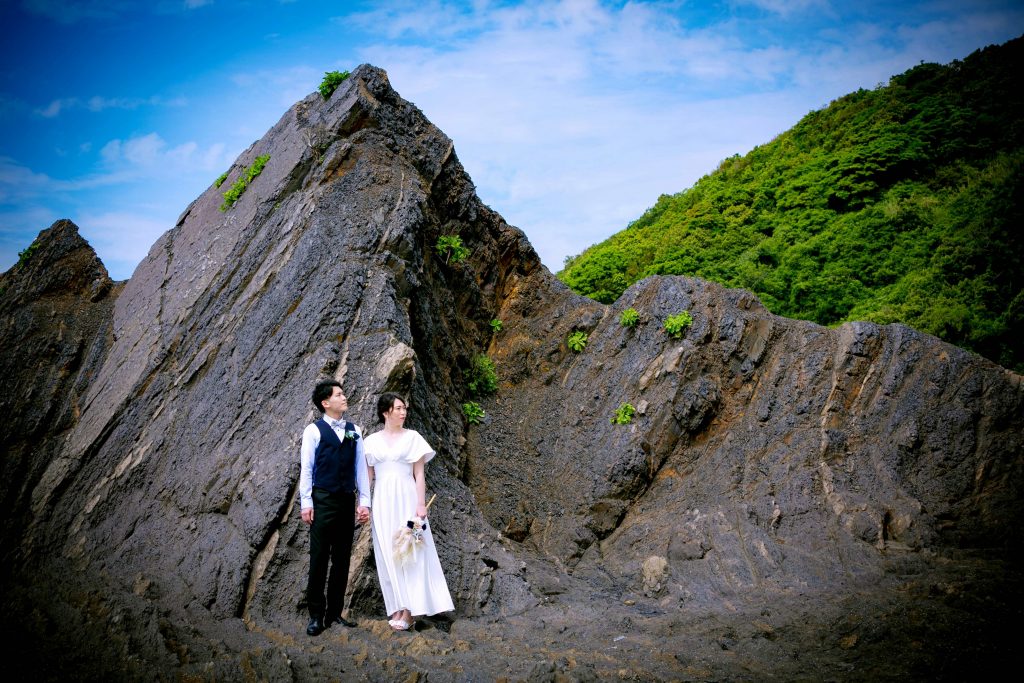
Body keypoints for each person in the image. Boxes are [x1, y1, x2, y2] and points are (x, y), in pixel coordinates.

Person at [364, 392, 454, 631]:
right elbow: (368, 477)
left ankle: (411, 610)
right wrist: (363, 503)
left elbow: (419, 474)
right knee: (387, 551)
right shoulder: (370, 441)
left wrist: (421, 504)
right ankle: (397, 605)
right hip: (382, 502)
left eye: (405, 408)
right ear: (386, 412)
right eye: (399, 408)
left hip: (409, 501)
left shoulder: (413, 437)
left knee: (412, 550)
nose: (403, 412)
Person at [299, 380, 371, 636]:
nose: (344, 397)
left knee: (342, 559)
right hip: (322, 500)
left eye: (343, 393)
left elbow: (360, 468)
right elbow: (307, 469)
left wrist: (364, 502)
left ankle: (334, 613)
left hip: (346, 500)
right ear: (325, 402)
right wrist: (306, 502)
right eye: (339, 394)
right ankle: (316, 615)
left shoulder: (354, 430)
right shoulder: (313, 431)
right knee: (319, 558)